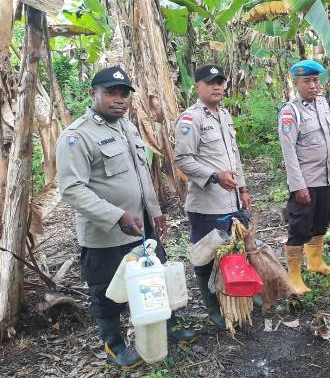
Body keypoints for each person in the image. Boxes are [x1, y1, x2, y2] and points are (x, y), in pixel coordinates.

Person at [56, 66, 197, 370]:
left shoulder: (128, 128)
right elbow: (70, 189)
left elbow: (142, 175)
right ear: (93, 94)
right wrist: (116, 215)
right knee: (106, 291)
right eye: (111, 93)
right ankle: (114, 345)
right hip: (106, 234)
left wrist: (156, 214)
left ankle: (166, 328)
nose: (119, 99)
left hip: (141, 226)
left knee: (155, 278)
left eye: (124, 94)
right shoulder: (77, 136)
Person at [174, 64, 251, 326]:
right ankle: (213, 308)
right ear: (197, 87)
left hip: (232, 200)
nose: (217, 86)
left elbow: (234, 155)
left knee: (234, 251)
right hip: (207, 204)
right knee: (206, 256)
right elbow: (183, 159)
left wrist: (243, 187)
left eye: (220, 82)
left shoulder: (225, 115)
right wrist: (214, 176)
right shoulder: (190, 119)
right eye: (210, 82)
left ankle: (234, 298)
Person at [278, 60, 330, 294]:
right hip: (305, 181)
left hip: (325, 178)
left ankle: (316, 263)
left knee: (320, 223)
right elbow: (289, 152)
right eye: (307, 81)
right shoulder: (290, 112)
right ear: (296, 83)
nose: (313, 85)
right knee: (300, 227)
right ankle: (293, 276)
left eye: (316, 80)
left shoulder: (322, 104)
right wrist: (298, 186)